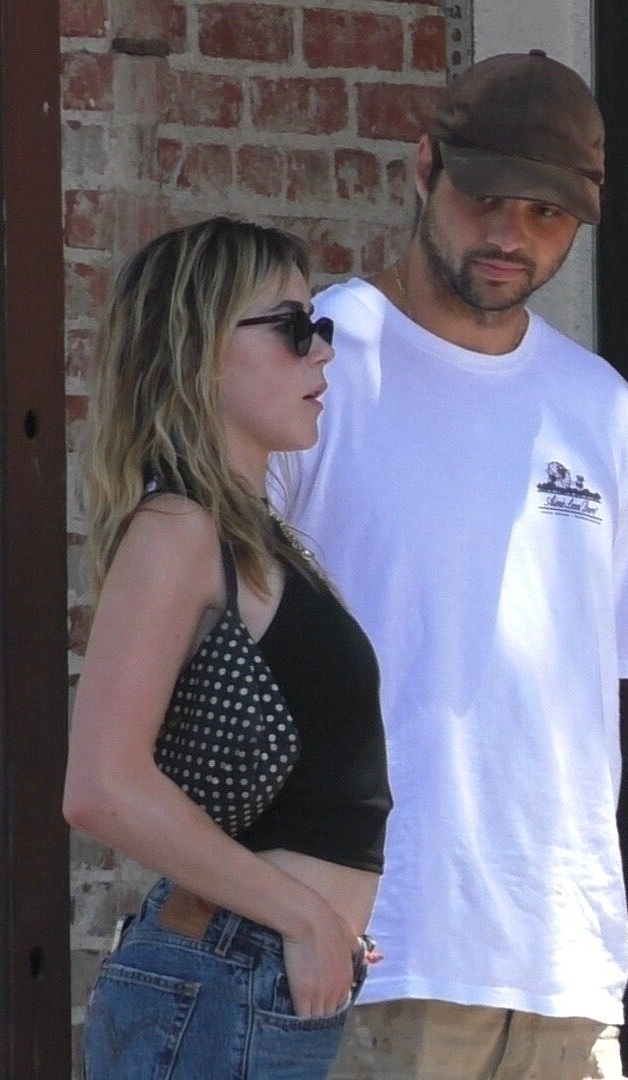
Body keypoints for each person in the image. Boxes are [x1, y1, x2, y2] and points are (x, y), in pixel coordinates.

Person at [270, 52, 628, 1079]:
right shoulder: (315, 367)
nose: (509, 235)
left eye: (546, 214)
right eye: (484, 198)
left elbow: (595, 706)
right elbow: (209, 641)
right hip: (375, 948)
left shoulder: (609, 417)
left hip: (567, 973)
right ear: (423, 168)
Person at [65, 217, 392, 1079]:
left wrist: (320, 921)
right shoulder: (177, 529)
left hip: (253, 980)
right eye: (293, 327)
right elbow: (100, 787)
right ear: (201, 351)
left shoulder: (250, 533)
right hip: (225, 981)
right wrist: (305, 913)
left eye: (320, 326)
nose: (322, 351)